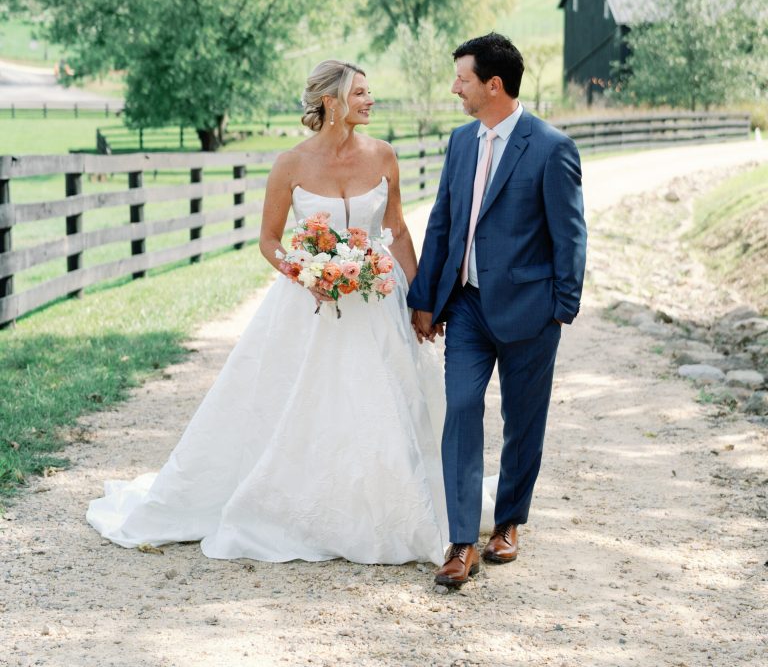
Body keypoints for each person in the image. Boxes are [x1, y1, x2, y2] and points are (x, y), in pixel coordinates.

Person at [87, 60, 450, 565]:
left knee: (381, 399)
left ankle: (385, 507)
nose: (371, 101)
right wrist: (306, 274)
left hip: (375, 300)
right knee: (302, 401)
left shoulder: (384, 156)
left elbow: (398, 230)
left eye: (370, 92)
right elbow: (269, 240)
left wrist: (420, 298)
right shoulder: (290, 165)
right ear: (332, 101)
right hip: (309, 305)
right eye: (362, 93)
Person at [408, 33, 587, 587]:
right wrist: (426, 299)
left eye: (462, 78)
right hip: (465, 308)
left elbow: (570, 234)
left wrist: (561, 307)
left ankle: (508, 522)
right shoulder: (461, 143)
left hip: (530, 310)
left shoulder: (551, 147)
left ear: (493, 84)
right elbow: (443, 221)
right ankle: (461, 541)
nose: (454, 87)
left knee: (522, 420)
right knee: (460, 409)